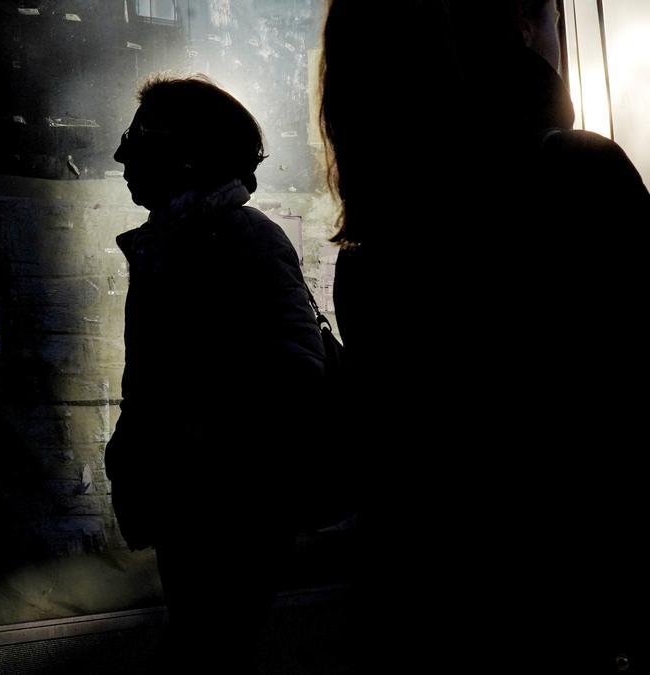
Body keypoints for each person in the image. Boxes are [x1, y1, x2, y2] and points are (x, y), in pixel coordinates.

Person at [319, 1, 649, 672]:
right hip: (564, 599)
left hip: (423, 609)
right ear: (521, 30)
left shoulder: (372, 254)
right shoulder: (576, 175)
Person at [104, 74, 325, 672]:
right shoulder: (176, 242)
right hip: (196, 509)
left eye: (138, 135)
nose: (123, 153)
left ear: (187, 154)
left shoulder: (240, 239)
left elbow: (297, 376)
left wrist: (197, 445)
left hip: (229, 517)